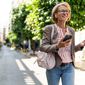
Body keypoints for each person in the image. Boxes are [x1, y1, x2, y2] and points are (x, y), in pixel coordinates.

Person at [40, 2, 85, 85]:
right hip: (53, 66)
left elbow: (71, 50)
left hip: (69, 67)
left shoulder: (71, 30)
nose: (65, 12)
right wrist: (58, 46)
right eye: (62, 10)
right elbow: (43, 47)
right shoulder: (49, 28)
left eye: (67, 11)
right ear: (56, 15)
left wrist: (80, 45)